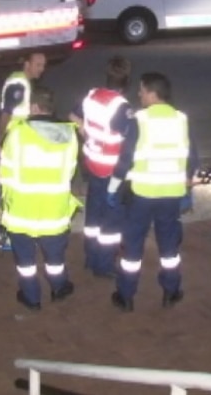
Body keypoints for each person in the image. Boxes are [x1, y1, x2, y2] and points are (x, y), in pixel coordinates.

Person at [107, 72, 199, 312]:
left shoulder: (140, 119)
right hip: (171, 195)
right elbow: (192, 158)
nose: (139, 95)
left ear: (151, 93)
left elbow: (125, 158)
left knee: (132, 246)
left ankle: (126, 295)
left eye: (141, 90)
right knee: (169, 247)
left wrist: (113, 187)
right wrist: (187, 187)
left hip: (142, 195)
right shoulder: (181, 119)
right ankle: (171, 291)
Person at [0, 86, 80, 311]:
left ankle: (31, 296)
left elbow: (5, 173)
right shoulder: (70, 135)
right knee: (55, 258)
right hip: (54, 211)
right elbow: (70, 171)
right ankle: (59, 287)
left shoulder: (17, 133)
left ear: (34, 107)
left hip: (21, 212)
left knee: (25, 261)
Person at [69, 55, 134, 277]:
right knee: (111, 223)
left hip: (92, 164)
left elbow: (72, 116)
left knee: (93, 216)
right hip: (111, 170)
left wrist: (87, 133)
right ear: (127, 79)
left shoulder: (91, 96)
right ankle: (103, 266)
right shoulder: (121, 107)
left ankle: (90, 256)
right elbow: (128, 141)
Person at [0, 52, 47, 143]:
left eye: (43, 65)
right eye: (38, 65)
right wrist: (0, 135)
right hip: (14, 135)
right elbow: (7, 112)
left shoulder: (23, 80)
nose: (42, 69)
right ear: (27, 64)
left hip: (18, 134)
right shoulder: (18, 83)